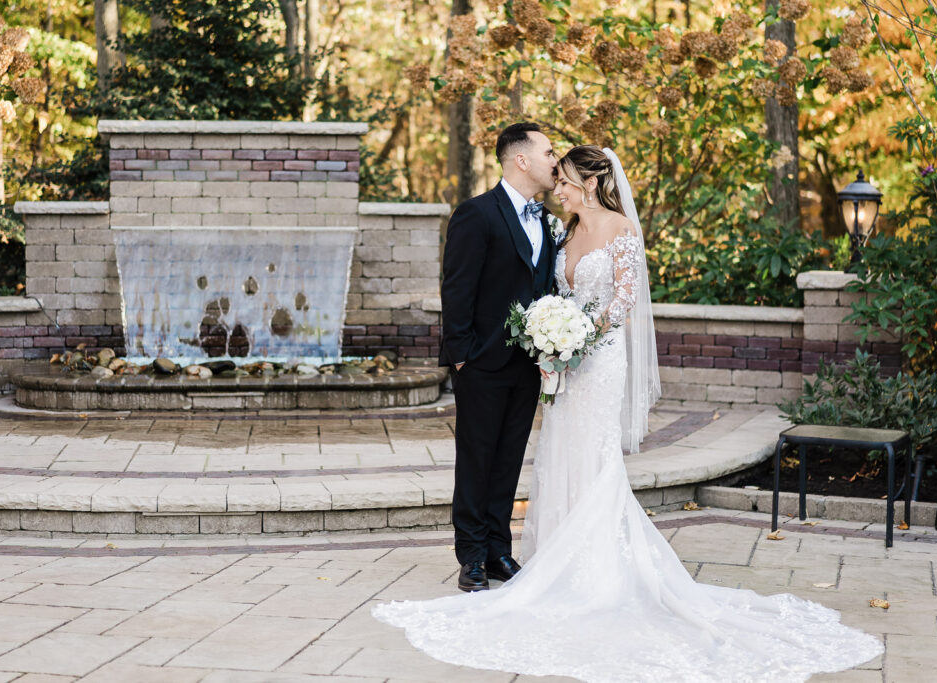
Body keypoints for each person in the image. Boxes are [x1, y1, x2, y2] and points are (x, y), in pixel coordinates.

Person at [373, 145, 883, 682]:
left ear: (589, 183)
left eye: (565, 176)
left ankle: (584, 566)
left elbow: (623, 301)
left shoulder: (618, 230)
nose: (558, 183)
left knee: (590, 456)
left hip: (596, 359)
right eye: (552, 168)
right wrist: (544, 339)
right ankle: (528, 557)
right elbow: (530, 290)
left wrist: (579, 336)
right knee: (550, 454)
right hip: (554, 362)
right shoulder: (557, 230)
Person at [437, 121, 558, 592]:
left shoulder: (546, 222)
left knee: (508, 461)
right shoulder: (476, 214)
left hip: (527, 366)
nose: (555, 160)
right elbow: (457, 287)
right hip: (482, 364)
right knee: (476, 460)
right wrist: (462, 356)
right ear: (520, 159)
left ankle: (497, 552)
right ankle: (469, 556)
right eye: (548, 152)